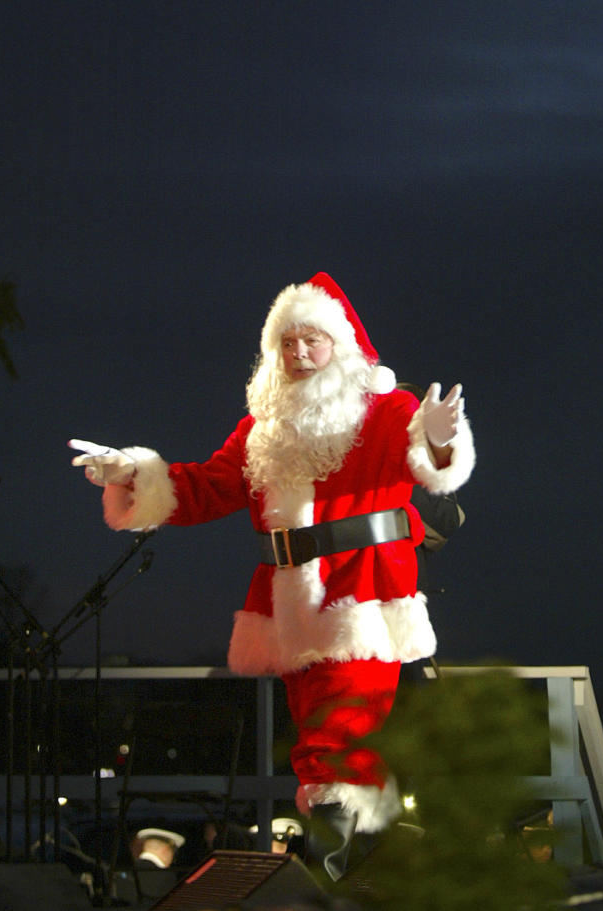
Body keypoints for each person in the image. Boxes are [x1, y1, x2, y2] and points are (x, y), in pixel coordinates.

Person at [71, 272, 474, 880]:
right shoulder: (262, 430)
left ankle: (329, 881)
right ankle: (384, 873)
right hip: (290, 607)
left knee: (334, 745)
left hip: (363, 593)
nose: (300, 352)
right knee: (321, 756)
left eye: (313, 339)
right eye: (287, 342)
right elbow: (205, 487)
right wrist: (131, 472)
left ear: (342, 345)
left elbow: (431, 462)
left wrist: (440, 442)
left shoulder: (388, 410)